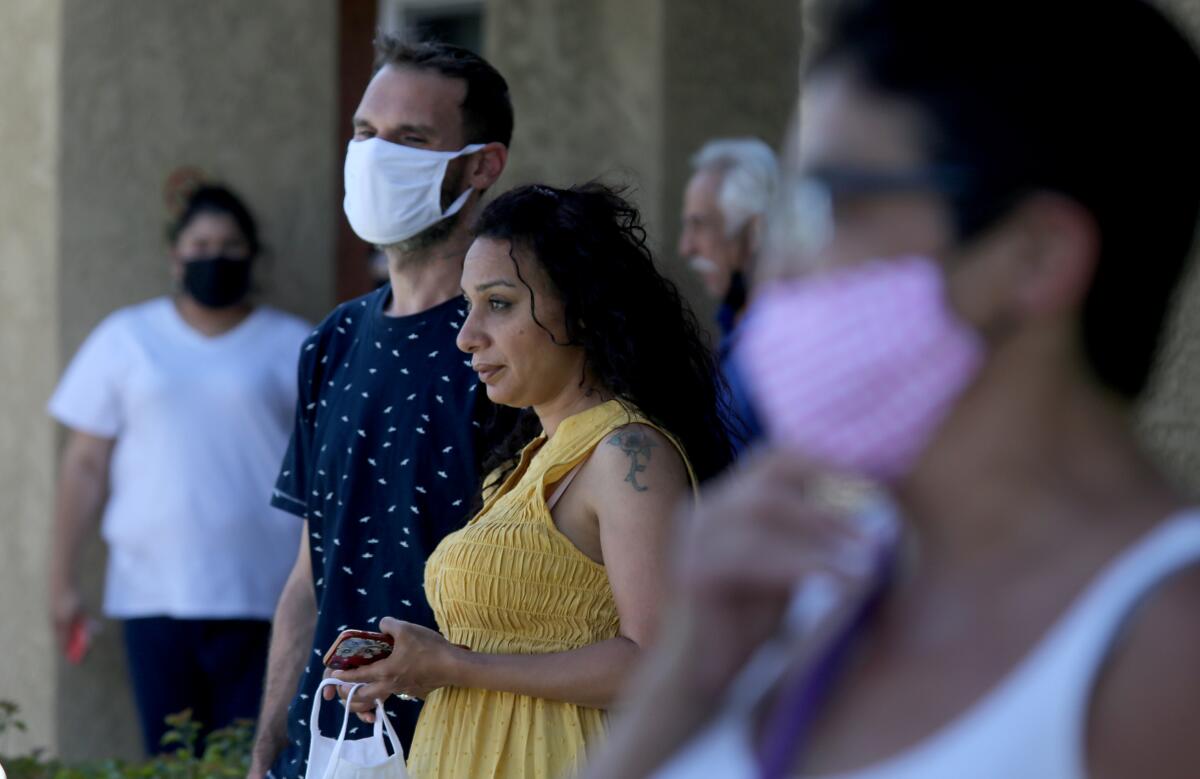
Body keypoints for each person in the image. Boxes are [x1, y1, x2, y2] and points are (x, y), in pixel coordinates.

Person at [585, 0, 1200, 777]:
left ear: (1037, 256)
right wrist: (685, 674)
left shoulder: (1169, 644)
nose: (778, 270)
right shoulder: (807, 583)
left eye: (827, 206)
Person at [324, 183, 735, 779]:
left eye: (499, 304)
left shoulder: (627, 454)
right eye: (468, 305)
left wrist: (454, 667)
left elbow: (662, 664)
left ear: (583, 308)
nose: (467, 336)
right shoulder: (518, 467)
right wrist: (412, 671)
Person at [247, 38, 513, 779]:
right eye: (365, 133)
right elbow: (310, 574)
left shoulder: (514, 344)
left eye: (411, 139)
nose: (374, 155)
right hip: (323, 750)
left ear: (482, 165)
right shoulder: (331, 342)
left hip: (462, 746)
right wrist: (271, 741)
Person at [47, 184, 312, 755]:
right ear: (176, 257)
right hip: (152, 591)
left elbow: (324, 473)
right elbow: (85, 464)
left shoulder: (294, 344)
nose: (214, 256)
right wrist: (61, 580)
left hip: (263, 593)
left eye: (230, 244)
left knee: (252, 757)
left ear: (252, 255)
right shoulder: (126, 338)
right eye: (201, 243)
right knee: (169, 759)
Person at [678, 138, 779, 450]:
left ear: (754, 233)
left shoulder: (785, 346)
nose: (687, 247)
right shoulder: (734, 322)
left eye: (700, 225)